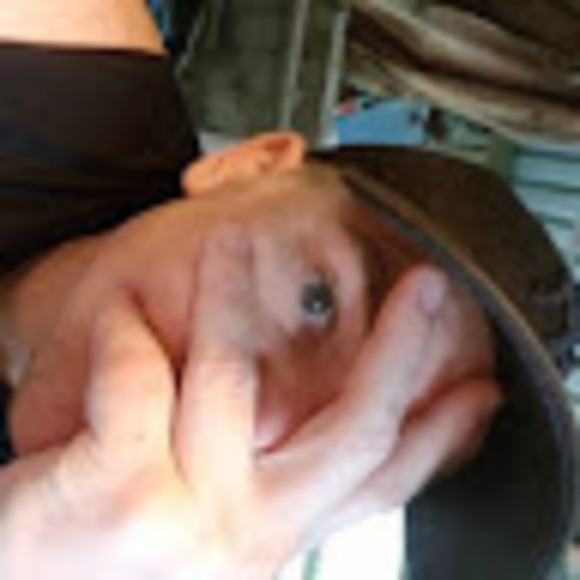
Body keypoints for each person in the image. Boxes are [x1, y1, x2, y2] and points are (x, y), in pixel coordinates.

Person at [0, 1, 500, 578]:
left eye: (330, 432)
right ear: (249, 167)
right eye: (318, 301)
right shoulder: (67, 65)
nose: (237, 423)